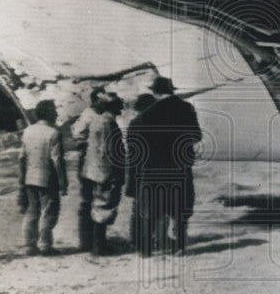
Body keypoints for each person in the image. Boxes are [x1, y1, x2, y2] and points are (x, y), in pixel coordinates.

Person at [131, 76, 202, 256]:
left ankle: (146, 250)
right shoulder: (186, 108)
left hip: (153, 166)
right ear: (172, 90)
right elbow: (197, 135)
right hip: (179, 166)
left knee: (151, 208)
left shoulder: (148, 112)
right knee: (179, 207)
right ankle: (179, 247)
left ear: (155, 92)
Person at [71, 88, 125, 257]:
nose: (121, 109)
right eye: (118, 106)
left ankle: (92, 243)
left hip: (93, 169)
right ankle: (99, 246)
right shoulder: (107, 123)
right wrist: (116, 171)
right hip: (104, 171)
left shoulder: (99, 120)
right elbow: (108, 150)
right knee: (103, 206)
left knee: (94, 204)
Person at [18, 99, 68, 255]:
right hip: (48, 178)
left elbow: (22, 158)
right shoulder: (54, 133)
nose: (57, 113)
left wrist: (21, 180)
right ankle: (45, 245)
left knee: (32, 211)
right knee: (49, 211)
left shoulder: (28, 131)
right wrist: (63, 181)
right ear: (49, 113)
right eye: (54, 111)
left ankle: (29, 245)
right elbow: (57, 160)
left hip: (30, 178)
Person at [124, 93, 157, 250]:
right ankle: (147, 241)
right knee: (152, 207)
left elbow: (131, 148)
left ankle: (136, 239)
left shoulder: (134, 123)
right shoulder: (158, 125)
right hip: (152, 169)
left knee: (138, 206)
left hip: (136, 168)